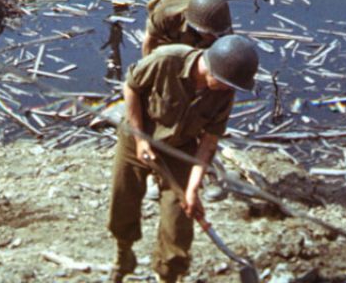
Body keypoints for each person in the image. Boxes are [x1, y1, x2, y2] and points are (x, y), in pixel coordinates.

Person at [109, 34, 260, 283]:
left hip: (180, 150)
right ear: (211, 67)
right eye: (224, 83)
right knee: (123, 203)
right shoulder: (167, 59)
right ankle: (123, 255)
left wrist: (192, 188)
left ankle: (168, 276)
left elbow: (209, 142)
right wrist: (140, 139)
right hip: (138, 135)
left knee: (178, 225)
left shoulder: (224, 92)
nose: (227, 90)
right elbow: (131, 86)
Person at [142, 0, 233, 55]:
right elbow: (150, 40)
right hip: (169, 20)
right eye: (209, 34)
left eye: (219, 34)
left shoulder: (223, 24)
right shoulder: (167, 15)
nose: (214, 38)